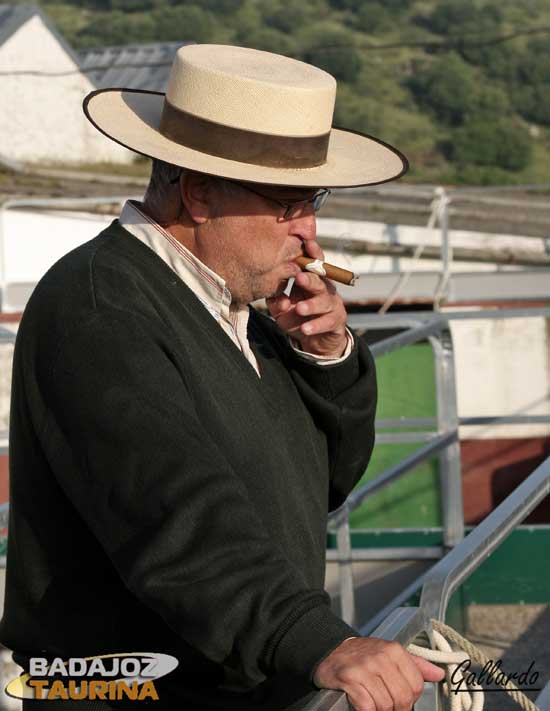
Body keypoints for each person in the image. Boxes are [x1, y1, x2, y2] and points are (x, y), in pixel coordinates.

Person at [0, 44, 444, 710]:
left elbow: (324, 480)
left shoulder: (239, 309)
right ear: (200, 191)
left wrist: (326, 354)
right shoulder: (96, 309)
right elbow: (178, 516)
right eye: (287, 204)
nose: (309, 232)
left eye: (313, 199)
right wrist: (317, 638)